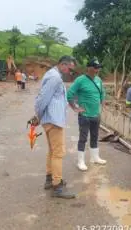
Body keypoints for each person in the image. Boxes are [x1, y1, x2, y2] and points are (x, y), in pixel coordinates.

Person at [34, 55, 77, 199]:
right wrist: (38, 116)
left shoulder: (53, 75)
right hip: (54, 121)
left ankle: (50, 179)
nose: (70, 72)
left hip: (51, 119)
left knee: (52, 151)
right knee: (59, 153)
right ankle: (57, 186)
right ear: (63, 65)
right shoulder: (55, 78)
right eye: (70, 68)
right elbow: (42, 99)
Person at [67, 58, 107, 172]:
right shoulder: (80, 80)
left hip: (96, 114)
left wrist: (102, 101)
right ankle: (81, 161)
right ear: (88, 68)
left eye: (98, 67)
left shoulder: (99, 80)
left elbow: (102, 92)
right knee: (83, 138)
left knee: (95, 136)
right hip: (84, 115)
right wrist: (75, 108)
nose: (97, 69)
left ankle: (95, 157)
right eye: (95, 67)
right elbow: (70, 94)